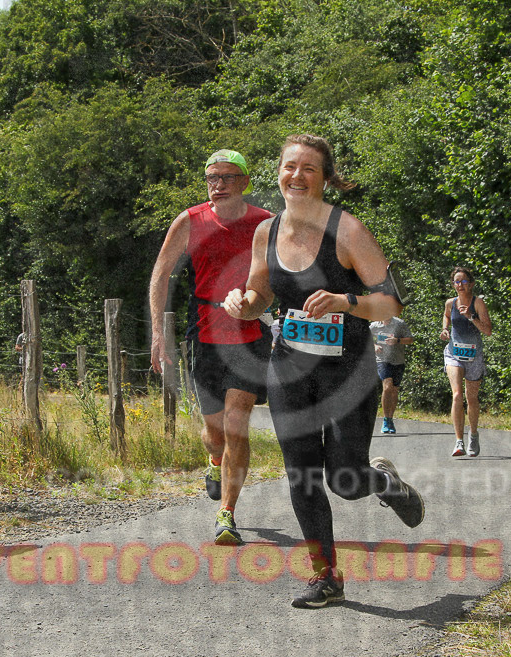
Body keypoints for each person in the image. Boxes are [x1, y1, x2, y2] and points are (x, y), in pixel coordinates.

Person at [223, 134, 424, 609]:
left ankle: (383, 481)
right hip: (288, 368)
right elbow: (259, 297)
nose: (296, 176)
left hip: (348, 372)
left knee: (343, 479)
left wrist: (345, 301)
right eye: (289, 166)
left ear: (324, 178)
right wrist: (241, 304)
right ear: (278, 171)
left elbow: (391, 304)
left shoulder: (348, 232)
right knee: (302, 476)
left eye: (309, 169)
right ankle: (326, 576)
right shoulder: (265, 233)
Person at [149, 149, 273, 546]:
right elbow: (161, 274)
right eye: (210, 177)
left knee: (237, 428)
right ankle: (213, 460)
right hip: (203, 333)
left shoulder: (265, 224)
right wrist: (157, 333)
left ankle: (227, 514)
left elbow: (285, 275)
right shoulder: (190, 220)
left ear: (244, 182)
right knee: (214, 432)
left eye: (225, 177)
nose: (216, 184)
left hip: (249, 335)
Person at [439, 267, 492, 457]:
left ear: (471, 284)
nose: (459, 285)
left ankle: (474, 435)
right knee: (457, 395)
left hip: (473, 356)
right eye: (456, 281)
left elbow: (487, 331)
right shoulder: (450, 303)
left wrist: (471, 317)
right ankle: (459, 441)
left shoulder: (478, 303)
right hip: (454, 353)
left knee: (471, 398)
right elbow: (446, 316)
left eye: (463, 281)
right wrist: (445, 329)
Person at [370, 316, 413, 434]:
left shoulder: (399, 324)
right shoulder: (375, 325)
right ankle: (385, 419)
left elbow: (410, 339)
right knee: (387, 386)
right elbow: (365, 338)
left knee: (394, 390)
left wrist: (397, 340)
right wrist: (374, 346)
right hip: (382, 360)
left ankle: (390, 419)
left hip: (398, 361)